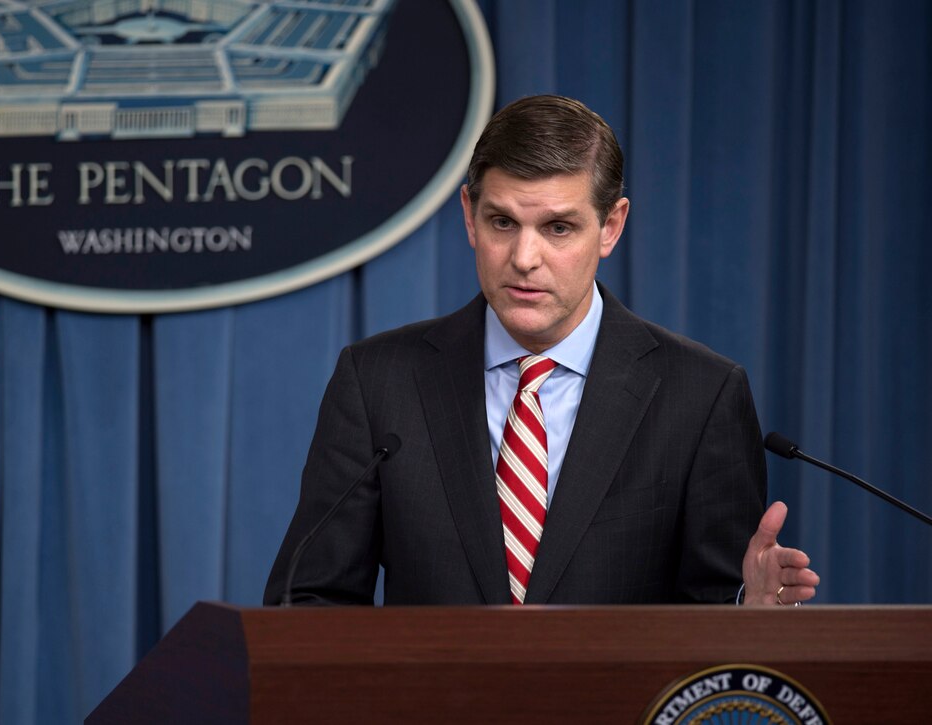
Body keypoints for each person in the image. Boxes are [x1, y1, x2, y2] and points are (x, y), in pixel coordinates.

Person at [264, 95, 819, 607]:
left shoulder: (700, 395)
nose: (524, 258)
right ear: (468, 215)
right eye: (503, 222)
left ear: (611, 227)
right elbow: (309, 600)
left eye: (558, 228)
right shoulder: (379, 381)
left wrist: (748, 613)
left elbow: (712, 624)